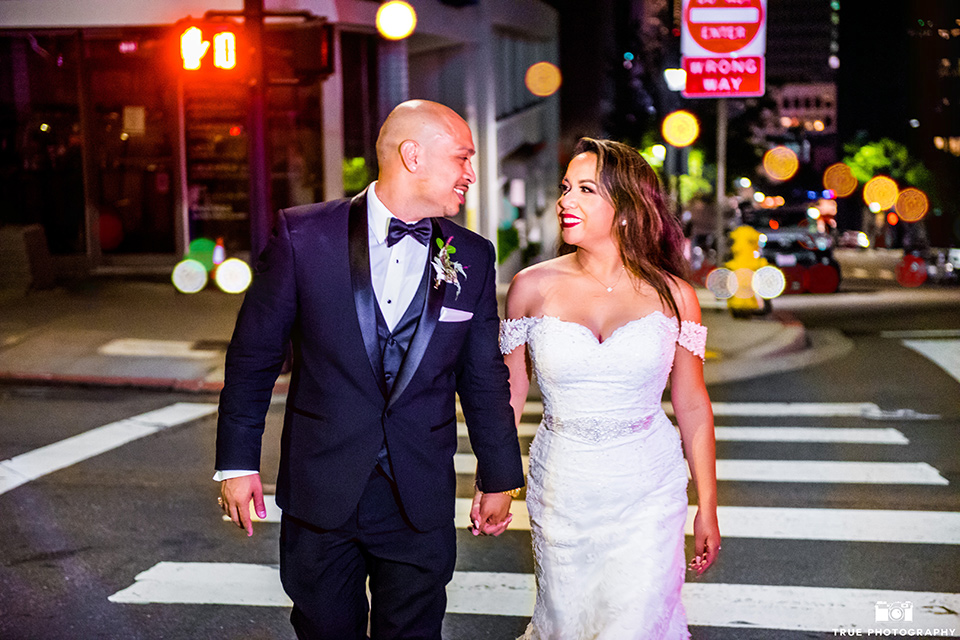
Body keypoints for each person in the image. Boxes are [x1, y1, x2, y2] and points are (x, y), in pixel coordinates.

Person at [214, 99, 525, 640]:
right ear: (413, 156)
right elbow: (253, 357)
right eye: (462, 158)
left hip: (417, 496)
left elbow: (481, 376)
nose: (471, 174)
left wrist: (500, 474)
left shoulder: (471, 255)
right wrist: (236, 463)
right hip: (321, 490)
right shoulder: (302, 236)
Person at [496, 137, 720, 638]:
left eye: (585, 190)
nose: (564, 201)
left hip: (649, 486)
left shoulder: (676, 295)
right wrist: (495, 479)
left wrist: (707, 504)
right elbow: (509, 393)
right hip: (561, 484)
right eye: (564, 188)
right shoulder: (530, 287)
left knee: (635, 623)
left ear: (625, 209)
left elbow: (692, 404)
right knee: (568, 622)